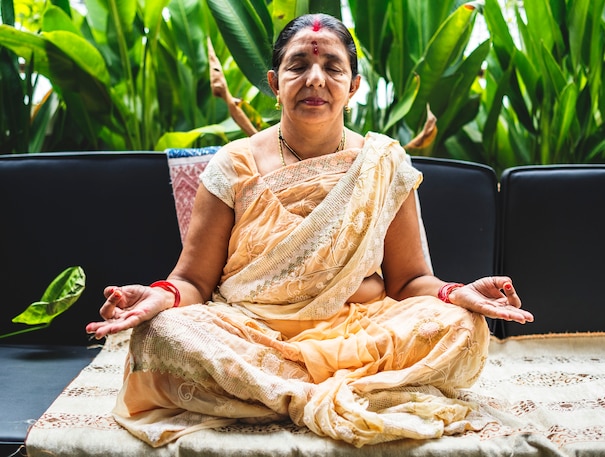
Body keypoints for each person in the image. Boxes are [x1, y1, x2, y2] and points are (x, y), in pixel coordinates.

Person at [86, 13, 533, 448]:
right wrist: (159, 295)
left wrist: (456, 294)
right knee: (163, 332)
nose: (315, 78)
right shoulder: (235, 163)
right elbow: (194, 281)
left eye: (332, 67)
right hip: (251, 330)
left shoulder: (384, 163)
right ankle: (347, 390)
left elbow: (409, 280)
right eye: (298, 65)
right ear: (275, 82)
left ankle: (269, 391)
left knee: (460, 325)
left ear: (353, 86)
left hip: (359, 331)